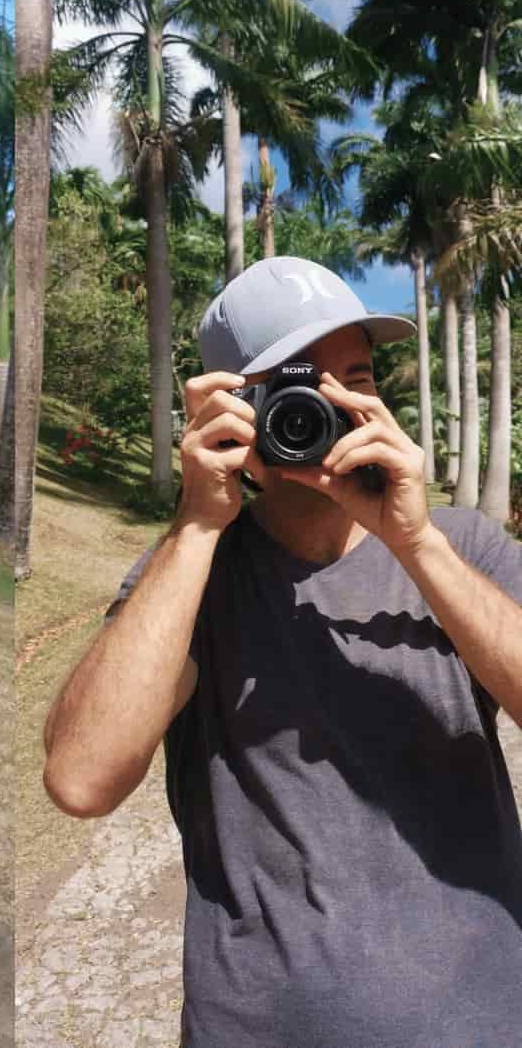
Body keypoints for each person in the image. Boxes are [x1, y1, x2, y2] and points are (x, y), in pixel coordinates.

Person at [43, 256, 522, 1047]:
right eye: (296, 382)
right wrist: (198, 520)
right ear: (229, 405)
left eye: (355, 378)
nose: (329, 406)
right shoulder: (192, 576)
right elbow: (81, 779)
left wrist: (414, 543)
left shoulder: (461, 545)